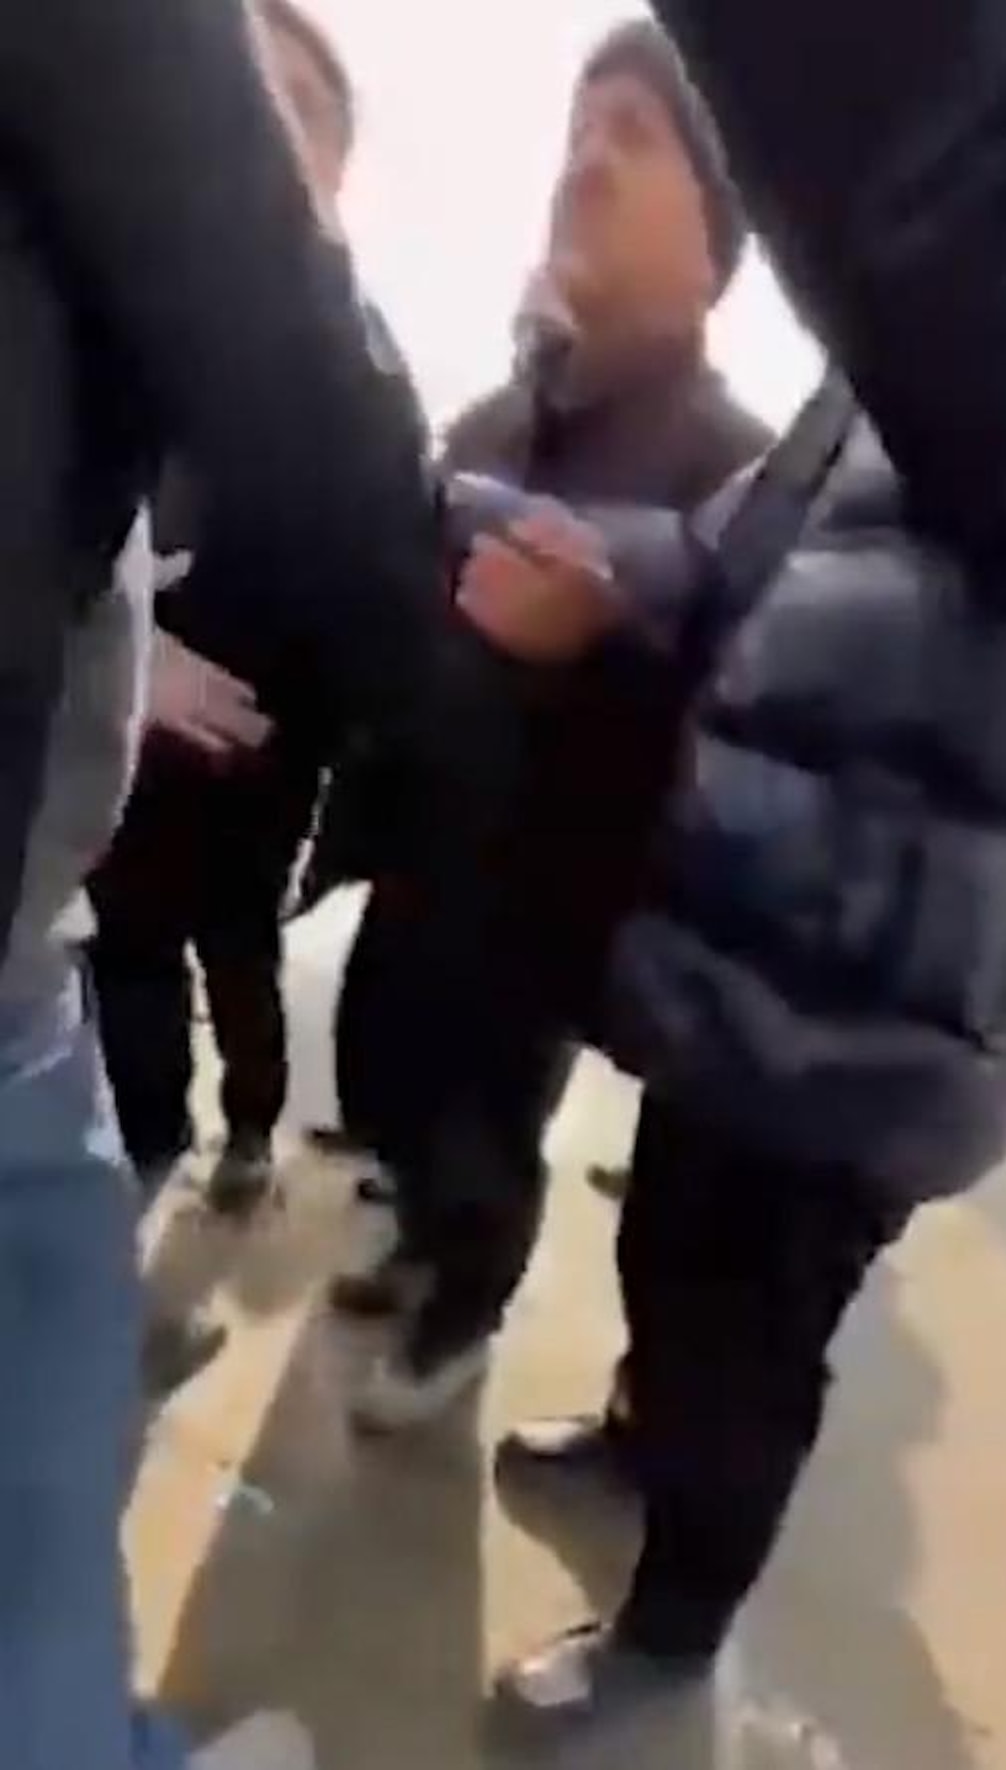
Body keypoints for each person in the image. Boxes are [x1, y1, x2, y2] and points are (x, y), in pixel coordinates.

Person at [448, 0, 1006, 1734]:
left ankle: (669, 1638)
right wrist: (592, 569)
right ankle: (643, 1437)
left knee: (749, 1348)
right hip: (759, 935)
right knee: (671, 1255)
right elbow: (728, 555)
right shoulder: (869, 390)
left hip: (897, 998)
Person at [0, 0, 512, 1766]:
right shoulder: (171, 291)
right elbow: (343, 494)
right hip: (55, 946)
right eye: (258, 114)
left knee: (199, 1051)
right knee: (45, 1457)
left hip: (168, 873)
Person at [322, 20, 773, 1432]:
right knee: (388, 1075)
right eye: (579, 130)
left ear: (716, 245)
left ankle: (463, 1312)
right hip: (414, 859)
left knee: (483, 1134)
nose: (585, 162)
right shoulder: (490, 423)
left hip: (550, 908)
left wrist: (611, 641)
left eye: (633, 137)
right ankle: (417, 1246)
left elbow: (748, 721)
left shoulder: (738, 471)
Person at [90, 0, 364, 1217]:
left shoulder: (357, 390)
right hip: (120, 792)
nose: (256, 134)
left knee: (242, 969)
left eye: (295, 111)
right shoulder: (101, 327)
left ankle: (252, 1129)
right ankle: (143, 1165)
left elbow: (389, 639)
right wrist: (129, 650)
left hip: (262, 792)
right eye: (241, 93)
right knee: (133, 986)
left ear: (338, 175)